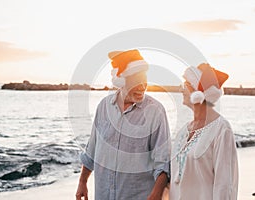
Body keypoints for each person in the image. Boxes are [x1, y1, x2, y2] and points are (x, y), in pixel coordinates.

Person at [75, 49, 171, 200]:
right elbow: (92, 150)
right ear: (120, 81)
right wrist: (82, 182)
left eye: (144, 81)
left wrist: (156, 194)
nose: (141, 87)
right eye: (136, 81)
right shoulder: (103, 107)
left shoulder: (156, 112)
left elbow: (163, 161)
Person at [169, 63, 239, 200]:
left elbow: (224, 184)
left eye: (185, 86)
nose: (181, 90)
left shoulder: (221, 129)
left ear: (197, 93)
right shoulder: (183, 131)